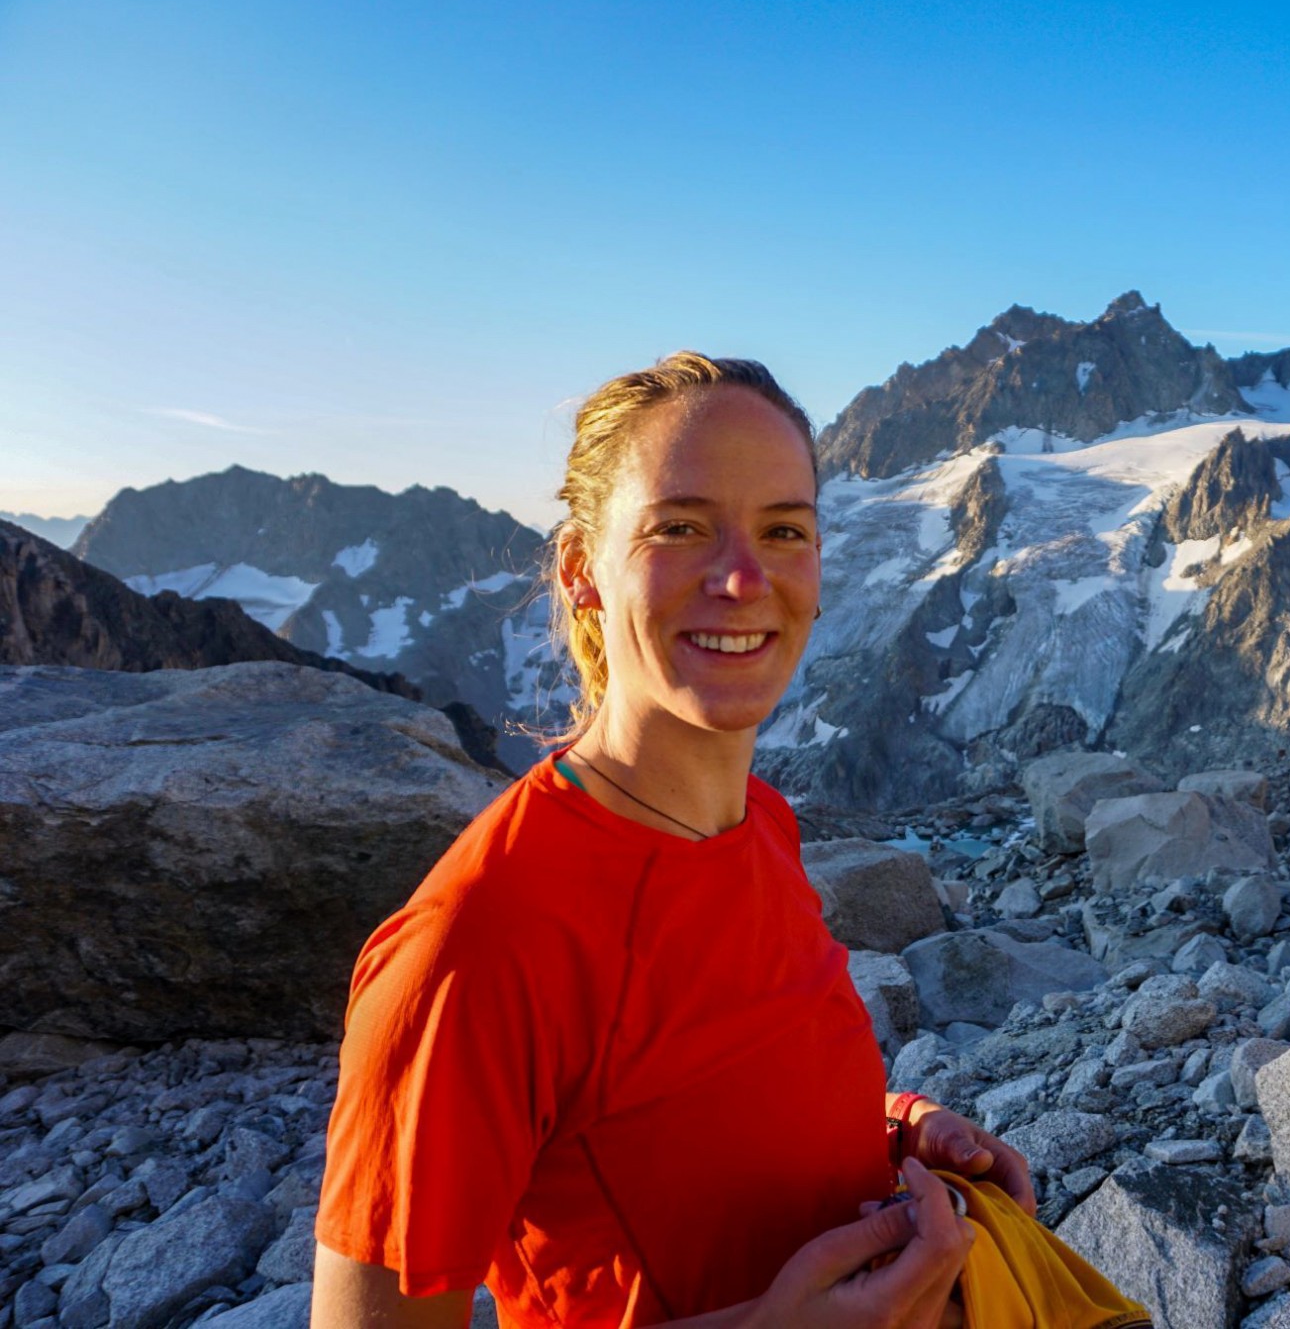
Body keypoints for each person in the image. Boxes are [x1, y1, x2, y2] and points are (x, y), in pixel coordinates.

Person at [311, 353, 1036, 1328]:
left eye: (783, 530)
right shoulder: (472, 947)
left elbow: (695, 1119)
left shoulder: (761, 825)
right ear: (581, 571)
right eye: (679, 527)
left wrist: (896, 1136)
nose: (743, 577)